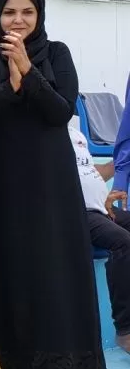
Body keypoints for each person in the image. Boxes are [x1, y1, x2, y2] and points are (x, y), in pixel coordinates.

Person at [0, 0, 109, 369]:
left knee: (52, 273)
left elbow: (60, 111)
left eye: (28, 12)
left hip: (49, 187)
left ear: (39, 15)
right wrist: (10, 87)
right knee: (3, 269)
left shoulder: (57, 54)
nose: (18, 20)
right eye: (10, 12)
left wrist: (28, 70)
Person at [69, 124, 130, 353]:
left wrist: (118, 165)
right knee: (123, 242)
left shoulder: (75, 133)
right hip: (77, 212)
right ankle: (125, 331)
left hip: (102, 207)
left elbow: (91, 172)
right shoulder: (43, 132)